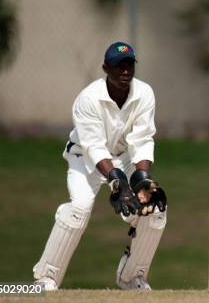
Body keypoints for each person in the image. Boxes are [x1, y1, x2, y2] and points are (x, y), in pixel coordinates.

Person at [33, 42, 167, 291]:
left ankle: (132, 278)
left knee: (154, 207)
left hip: (124, 155)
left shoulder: (144, 93)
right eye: (119, 66)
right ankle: (46, 277)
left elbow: (142, 139)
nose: (125, 71)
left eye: (129, 65)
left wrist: (142, 178)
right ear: (106, 68)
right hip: (85, 158)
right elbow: (93, 146)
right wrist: (118, 182)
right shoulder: (88, 99)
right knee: (79, 209)